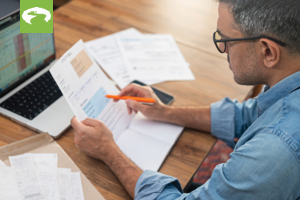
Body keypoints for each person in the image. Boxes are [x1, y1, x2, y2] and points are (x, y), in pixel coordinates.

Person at [70, 0, 300, 199]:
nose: (222, 47)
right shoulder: (289, 77)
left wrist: (108, 151)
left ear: (268, 52)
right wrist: (164, 112)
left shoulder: (275, 148)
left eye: (227, 40)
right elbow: (248, 116)